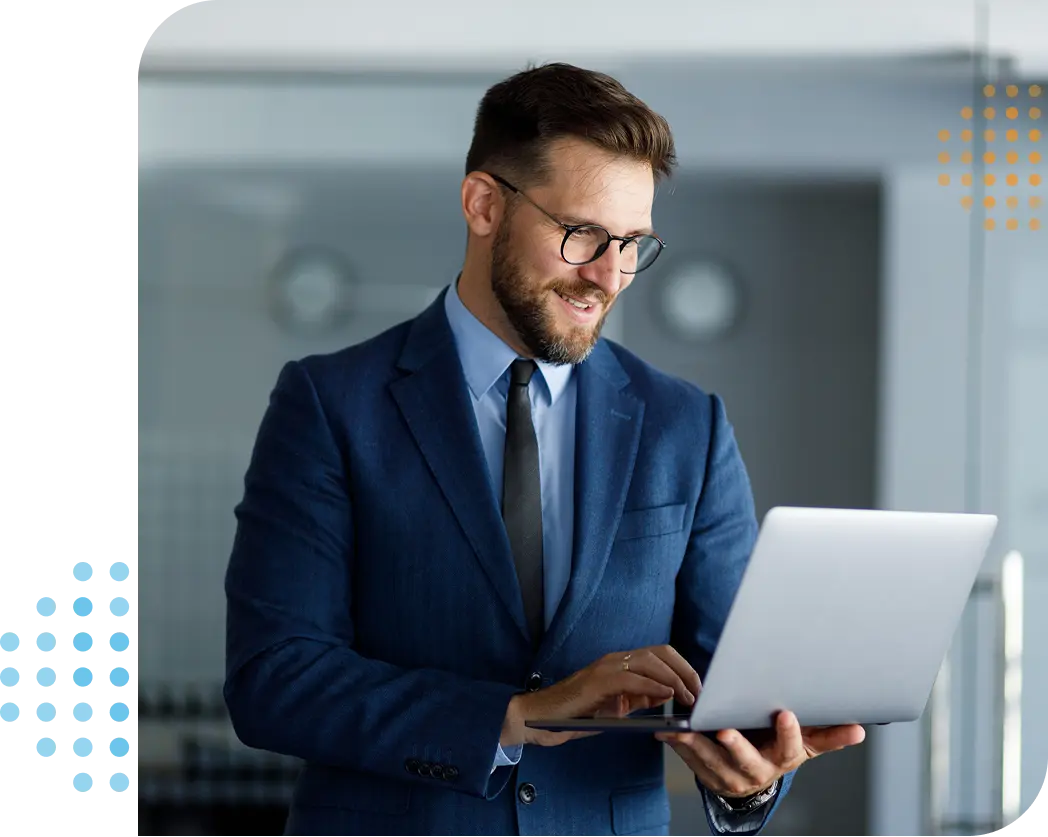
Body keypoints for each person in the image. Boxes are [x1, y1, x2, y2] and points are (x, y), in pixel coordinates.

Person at [223, 61, 865, 837]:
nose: (609, 275)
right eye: (583, 234)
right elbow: (275, 679)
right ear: (484, 203)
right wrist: (512, 715)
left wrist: (750, 781)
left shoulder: (685, 425)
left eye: (633, 243)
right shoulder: (331, 404)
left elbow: (736, 688)